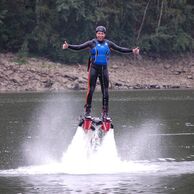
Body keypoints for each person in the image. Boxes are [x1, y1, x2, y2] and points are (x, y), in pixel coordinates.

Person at [62, 26, 139, 120]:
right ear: (96, 34)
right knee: (91, 90)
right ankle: (87, 112)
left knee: (105, 91)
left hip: (104, 69)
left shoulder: (109, 43)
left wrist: (132, 51)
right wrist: (68, 46)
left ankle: (105, 113)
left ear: (104, 34)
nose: (100, 35)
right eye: (98, 33)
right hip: (93, 68)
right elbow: (79, 47)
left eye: (102, 33)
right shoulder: (92, 43)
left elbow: (120, 49)